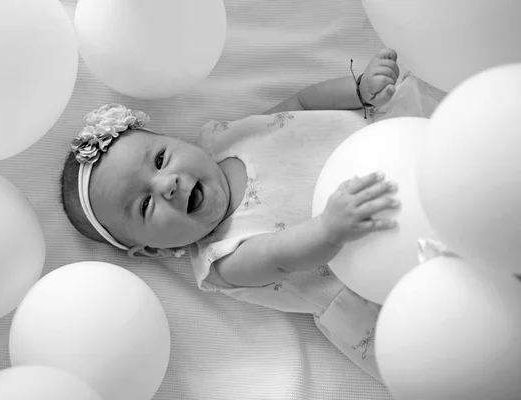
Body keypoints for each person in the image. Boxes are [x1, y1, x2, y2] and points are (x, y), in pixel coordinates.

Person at [61, 48, 413, 381]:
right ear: (156, 251)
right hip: (377, 275)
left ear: (176, 140)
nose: (166, 184)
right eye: (144, 205)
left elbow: (302, 104)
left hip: (396, 150)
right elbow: (280, 256)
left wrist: (357, 90)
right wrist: (329, 228)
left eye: (159, 159)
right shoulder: (221, 258)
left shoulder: (223, 138)